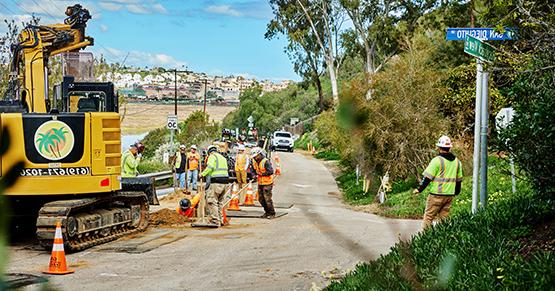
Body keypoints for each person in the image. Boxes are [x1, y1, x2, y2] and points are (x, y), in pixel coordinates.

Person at [413, 135, 463, 229]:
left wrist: (419, 189)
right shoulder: (457, 162)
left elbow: (427, 178)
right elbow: (458, 180)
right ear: (449, 147)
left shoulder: (437, 161)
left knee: (428, 217)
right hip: (449, 195)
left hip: (436, 195)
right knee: (443, 219)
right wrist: (456, 192)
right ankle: (441, 239)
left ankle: (425, 238)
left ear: (439, 147)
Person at [200, 145, 230, 227]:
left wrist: (202, 174)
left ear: (209, 152)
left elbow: (210, 167)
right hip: (225, 182)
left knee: (211, 201)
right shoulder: (222, 158)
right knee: (220, 202)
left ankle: (215, 221)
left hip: (216, 182)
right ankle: (220, 220)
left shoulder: (212, 156)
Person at [251, 148, 275, 219]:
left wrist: (262, 174)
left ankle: (271, 213)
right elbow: (252, 169)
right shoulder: (253, 161)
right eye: (254, 157)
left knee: (267, 199)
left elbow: (270, 171)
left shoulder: (265, 161)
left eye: (256, 156)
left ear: (259, 154)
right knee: (260, 199)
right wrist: (253, 175)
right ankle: (266, 212)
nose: (255, 158)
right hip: (260, 182)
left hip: (267, 183)